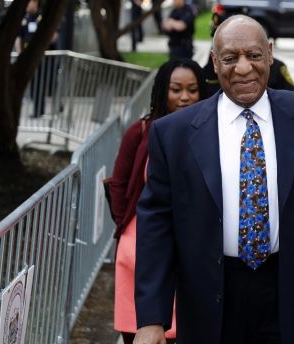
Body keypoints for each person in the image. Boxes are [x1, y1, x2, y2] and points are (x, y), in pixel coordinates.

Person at [133, 15, 294, 344]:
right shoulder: (172, 134)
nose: (243, 68)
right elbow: (156, 226)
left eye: (254, 55)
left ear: (270, 54)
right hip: (208, 301)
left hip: (286, 294)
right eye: (230, 58)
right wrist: (151, 319)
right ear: (214, 63)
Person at [108, 58, 207, 344]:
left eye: (192, 89)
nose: (185, 97)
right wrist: (124, 224)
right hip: (141, 240)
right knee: (140, 321)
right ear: (163, 91)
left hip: (193, 240)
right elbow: (119, 183)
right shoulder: (139, 132)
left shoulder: (210, 132)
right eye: (176, 89)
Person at [16, 0, 59, 118]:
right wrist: (20, 53)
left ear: (36, 3)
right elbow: (19, 38)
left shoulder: (43, 17)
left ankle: (57, 106)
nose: (29, 5)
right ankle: (38, 110)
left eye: (31, 2)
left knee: (49, 83)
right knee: (35, 85)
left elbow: (54, 35)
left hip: (45, 59)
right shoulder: (24, 19)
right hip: (30, 58)